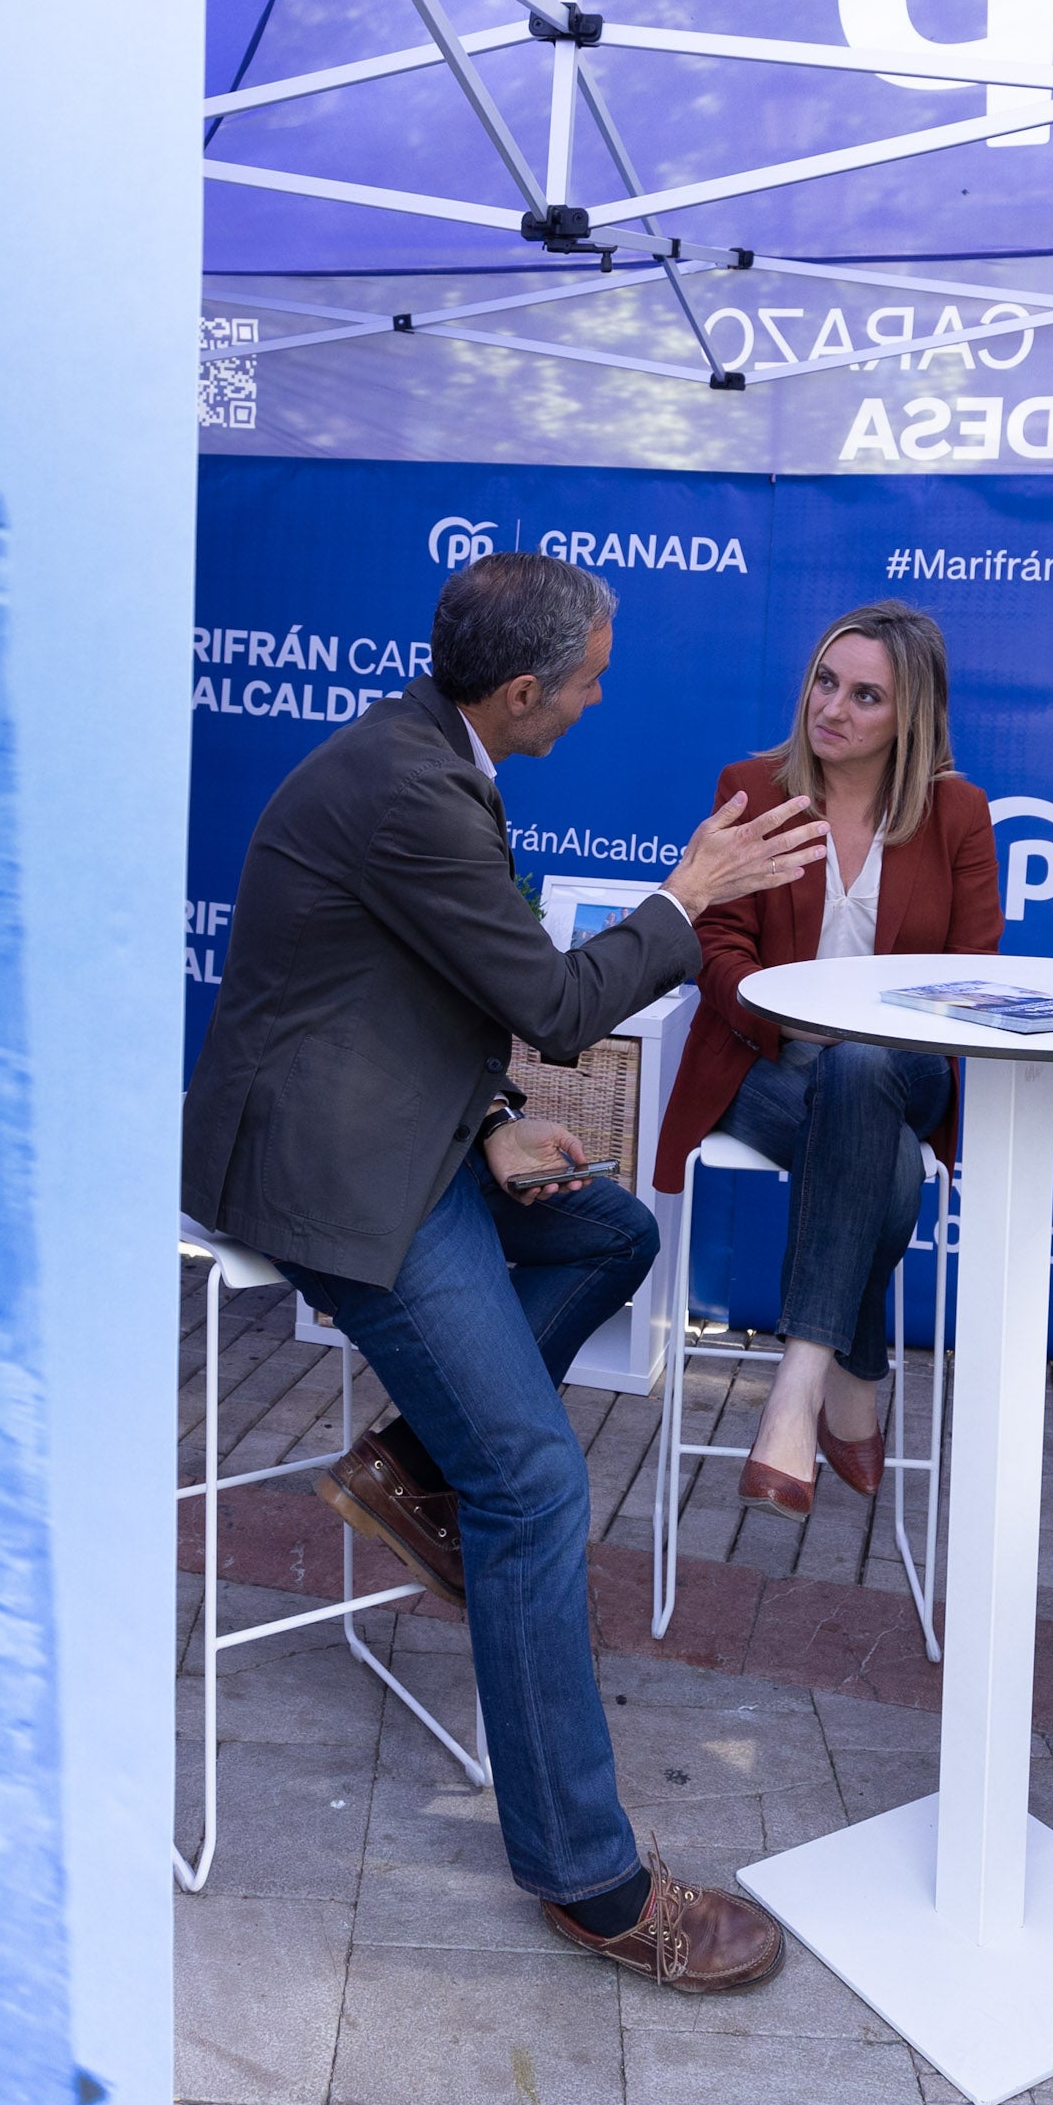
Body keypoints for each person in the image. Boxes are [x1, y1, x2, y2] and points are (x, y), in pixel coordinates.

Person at [181, 550, 827, 1991]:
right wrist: (688, 892)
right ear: (525, 687)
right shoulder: (414, 786)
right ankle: (591, 1879)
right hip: (332, 1173)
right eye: (591, 677)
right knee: (534, 1481)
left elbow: (399, 989)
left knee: (613, 1229)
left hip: (399, 1132)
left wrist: (484, 1118)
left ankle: (418, 1465)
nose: (602, 699)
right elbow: (547, 1001)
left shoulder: (428, 757)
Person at [653, 602, 997, 1513]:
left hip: (906, 1065)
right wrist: (794, 1019)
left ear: (910, 717)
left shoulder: (957, 813)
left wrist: (870, 1030)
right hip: (765, 1064)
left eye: (866, 695)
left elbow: (973, 976)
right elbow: (713, 946)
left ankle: (794, 1390)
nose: (833, 707)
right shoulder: (753, 790)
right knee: (861, 1132)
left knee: (862, 1072)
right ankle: (848, 1376)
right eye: (825, 680)